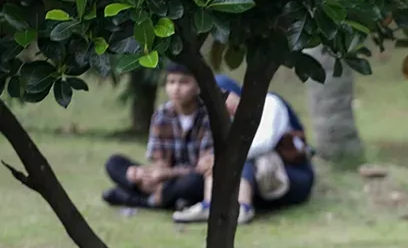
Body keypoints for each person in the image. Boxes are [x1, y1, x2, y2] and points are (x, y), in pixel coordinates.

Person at [172, 74, 315, 225]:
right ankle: (210, 205)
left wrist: (222, 157)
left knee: (240, 154)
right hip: (262, 182)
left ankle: (243, 208)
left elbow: (263, 143)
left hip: (292, 176)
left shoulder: (268, 103)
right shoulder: (225, 120)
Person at [102, 62, 212, 211]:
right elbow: (160, 161)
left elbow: (204, 167)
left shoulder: (208, 116)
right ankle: (165, 197)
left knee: (195, 182)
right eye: (171, 82)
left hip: (191, 178)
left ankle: (140, 199)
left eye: (184, 82)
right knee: (114, 163)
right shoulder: (162, 114)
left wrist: (168, 173)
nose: (176, 89)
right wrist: (145, 175)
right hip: (166, 181)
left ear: (198, 85)